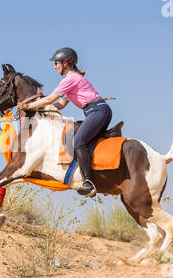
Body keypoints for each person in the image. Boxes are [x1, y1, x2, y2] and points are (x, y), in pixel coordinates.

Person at [17, 47, 112, 196]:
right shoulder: (71, 80)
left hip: (97, 111)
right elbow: (59, 105)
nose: (55, 67)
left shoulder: (70, 78)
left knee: (77, 141)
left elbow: (50, 99)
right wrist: (39, 110)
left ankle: (89, 182)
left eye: (56, 63)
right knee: (79, 138)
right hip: (95, 111)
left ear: (65, 63)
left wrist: (27, 106)